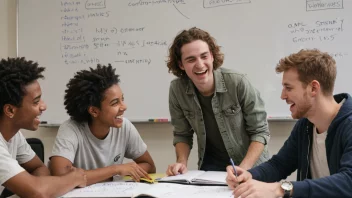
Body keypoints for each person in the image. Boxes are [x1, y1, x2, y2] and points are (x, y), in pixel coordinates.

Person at [226, 49, 352, 198]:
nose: (282, 96)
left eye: (289, 88)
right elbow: (279, 165)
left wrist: (280, 189)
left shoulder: (348, 125)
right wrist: (248, 175)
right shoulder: (305, 126)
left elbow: (348, 182)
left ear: (313, 88)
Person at [165, 27, 270, 175]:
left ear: (212, 56)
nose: (200, 64)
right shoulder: (177, 89)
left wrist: (244, 168)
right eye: (191, 59)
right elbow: (182, 134)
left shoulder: (238, 82)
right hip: (210, 169)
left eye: (204, 56)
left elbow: (260, 131)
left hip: (251, 167)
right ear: (181, 64)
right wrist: (181, 163)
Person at [49, 64, 156, 186]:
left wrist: (124, 171)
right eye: (115, 103)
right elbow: (60, 177)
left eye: (122, 99)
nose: (124, 107)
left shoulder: (124, 126)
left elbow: (150, 166)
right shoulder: (70, 129)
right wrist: (115, 169)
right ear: (94, 111)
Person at [0, 57, 86, 197]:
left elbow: (38, 167)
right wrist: (74, 178)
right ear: (10, 110)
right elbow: (38, 192)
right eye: (36, 102)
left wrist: (39, 187)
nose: (43, 106)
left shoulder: (14, 135)